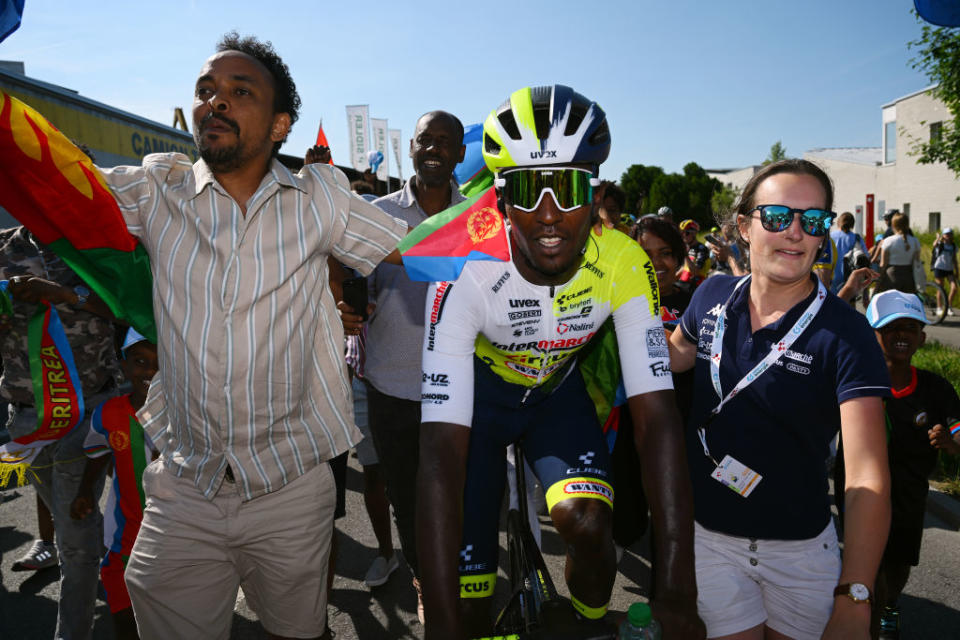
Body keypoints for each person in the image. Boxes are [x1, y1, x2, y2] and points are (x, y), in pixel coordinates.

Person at [91, 33, 407, 639]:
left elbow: (415, 249)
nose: (216, 102)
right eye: (206, 91)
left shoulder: (322, 199)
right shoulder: (157, 188)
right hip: (185, 484)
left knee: (299, 631)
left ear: (281, 123)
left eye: (240, 92)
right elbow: (64, 196)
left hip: (290, 487)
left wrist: (533, 226)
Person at [416, 84, 702, 640]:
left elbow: (659, 422)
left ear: (595, 196)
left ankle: (586, 619)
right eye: (527, 190)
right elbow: (438, 456)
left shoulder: (622, 260)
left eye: (569, 188)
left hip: (555, 396)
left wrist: (676, 593)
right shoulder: (463, 266)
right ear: (500, 199)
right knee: (467, 607)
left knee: (590, 524)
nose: (549, 215)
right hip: (480, 400)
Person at [668, 159, 891, 640]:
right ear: (744, 227)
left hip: (801, 552)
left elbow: (867, 474)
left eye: (812, 221)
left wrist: (856, 593)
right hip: (710, 540)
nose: (794, 233)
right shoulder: (711, 296)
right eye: (776, 217)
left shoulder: (847, 334)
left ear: (822, 236)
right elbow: (674, 357)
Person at [342, 110, 466, 623]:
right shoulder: (375, 213)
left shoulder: (482, 217)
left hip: (464, 386)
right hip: (390, 384)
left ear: (461, 153)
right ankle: (423, 577)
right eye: (424, 140)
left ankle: (460, 577)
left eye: (445, 141)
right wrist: (346, 306)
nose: (433, 148)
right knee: (409, 499)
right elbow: (345, 273)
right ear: (410, 149)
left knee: (463, 494)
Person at [0, 223, 121, 640]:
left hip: (90, 411)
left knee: (77, 542)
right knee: (78, 526)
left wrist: (66, 295)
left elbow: (127, 309)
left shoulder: (101, 245)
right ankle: (114, 568)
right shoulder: (4, 247)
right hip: (29, 420)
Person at [834, 290, 960, 639]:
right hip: (857, 489)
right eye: (891, 329)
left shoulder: (936, 389)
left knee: (899, 564)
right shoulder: (853, 382)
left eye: (909, 328)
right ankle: (870, 620)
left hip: (908, 492)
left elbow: (957, 427)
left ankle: (889, 604)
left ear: (922, 337)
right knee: (868, 566)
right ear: (873, 335)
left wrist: (951, 442)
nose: (901, 335)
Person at [70, 328, 159, 640]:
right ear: (124, 366)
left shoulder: (186, 414)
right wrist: (84, 492)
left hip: (179, 531)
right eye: (140, 361)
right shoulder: (108, 414)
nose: (150, 371)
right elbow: (97, 453)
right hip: (126, 536)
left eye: (161, 364)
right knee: (123, 613)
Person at [877, 212, 922, 294]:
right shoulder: (915, 241)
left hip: (892, 276)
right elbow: (917, 261)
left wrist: (880, 280)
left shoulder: (888, 241)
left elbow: (883, 264)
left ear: (893, 225)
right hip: (909, 277)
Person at [829, 212, 868, 294]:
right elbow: (865, 257)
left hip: (830, 278)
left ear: (839, 222)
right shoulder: (856, 238)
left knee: (831, 304)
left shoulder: (830, 236)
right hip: (850, 279)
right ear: (852, 224)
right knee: (848, 304)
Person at [931, 227, 958, 316]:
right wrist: (938, 238)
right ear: (943, 235)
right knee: (940, 288)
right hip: (939, 268)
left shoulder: (954, 246)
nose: (948, 236)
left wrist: (957, 270)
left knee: (954, 288)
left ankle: (948, 306)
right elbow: (934, 245)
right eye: (946, 234)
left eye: (950, 234)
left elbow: (954, 259)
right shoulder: (940, 244)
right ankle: (939, 307)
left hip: (949, 269)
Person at [679, 219, 711, 286]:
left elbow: (696, 272)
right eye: (682, 233)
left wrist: (685, 255)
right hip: (684, 282)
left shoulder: (702, 249)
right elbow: (685, 267)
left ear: (694, 233)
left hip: (696, 285)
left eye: (686, 233)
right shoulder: (687, 248)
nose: (683, 236)